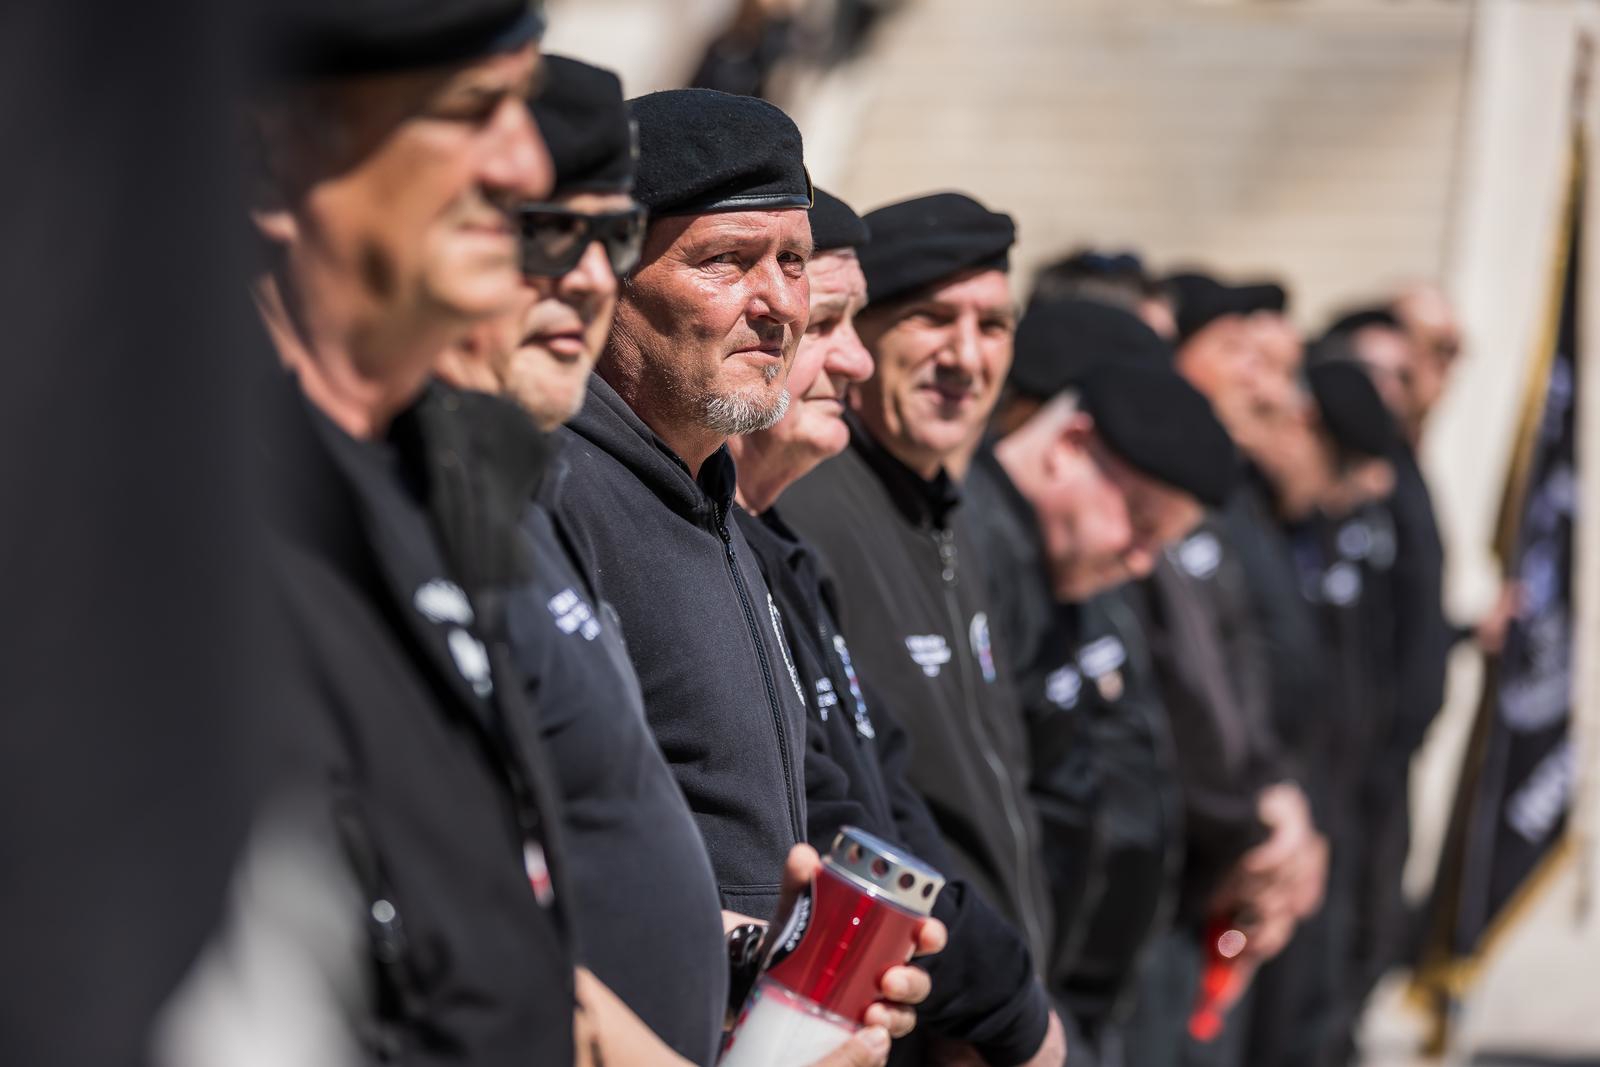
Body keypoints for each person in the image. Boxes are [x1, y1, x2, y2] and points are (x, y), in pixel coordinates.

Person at [549, 87, 941, 1047]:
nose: (777, 305)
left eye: (794, 263)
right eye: (725, 261)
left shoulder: (717, 496)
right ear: (611, 279)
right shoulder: (555, 493)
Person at [243, 2, 582, 1060]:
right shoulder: (179, 514)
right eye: (473, 111)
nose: (527, 167)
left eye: (524, 109)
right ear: (275, 155)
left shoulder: (442, 479)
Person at [728, 188, 1068, 1067]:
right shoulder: (818, 503)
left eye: (993, 326)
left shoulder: (951, 517)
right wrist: (1002, 1001)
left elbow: (900, 781)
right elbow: (833, 812)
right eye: (931, 319)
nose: (965, 355)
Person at [966, 298, 1236, 1067]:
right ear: (1071, 444)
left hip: (1070, 1001)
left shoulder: (1073, 577)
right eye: (1141, 526)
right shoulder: (982, 548)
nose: (1143, 560)